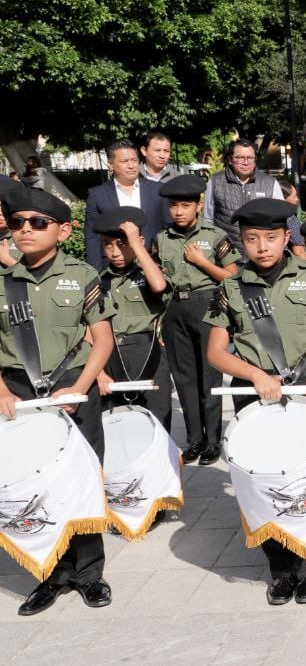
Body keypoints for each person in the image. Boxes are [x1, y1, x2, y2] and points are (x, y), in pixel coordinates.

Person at [205, 198, 306, 605]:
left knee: (303, 479)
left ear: (286, 238)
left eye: (271, 238)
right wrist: (257, 375)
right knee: (262, 482)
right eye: (252, 239)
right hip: (253, 394)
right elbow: (216, 352)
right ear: (241, 242)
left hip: (303, 392)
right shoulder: (230, 285)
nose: (262, 247)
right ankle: (279, 569)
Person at [0, 187, 115, 616]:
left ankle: (89, 574)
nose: (25, 230)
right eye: (17, 223)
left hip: (72, 385)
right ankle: (49, 574)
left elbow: (102, 340)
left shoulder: (83, 275)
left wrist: (81, 385)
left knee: (82, 480)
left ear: (63, 230)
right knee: (35, 484)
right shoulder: (3, 281)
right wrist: (2, 390)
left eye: (37, 223)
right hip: (20, 393)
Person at [154, 174, 240, 465]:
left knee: (209, 375)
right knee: (185, 378)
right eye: (174, 206)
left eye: (185, 205)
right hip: (175, 308)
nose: (179, 211)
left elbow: (232, 276)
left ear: (198, 205)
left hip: (207, 304)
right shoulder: (162, 238)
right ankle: (195, 440)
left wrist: (203, 263)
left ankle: (213, 440)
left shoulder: (214, 236)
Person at [92, 207, 173, 430]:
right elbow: (89, 330)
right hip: (110, 356)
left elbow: (159, 285)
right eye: (108, 244)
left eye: (122, 244)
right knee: (117, 424)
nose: (115, 252)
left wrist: (137, 246)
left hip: (147, 353)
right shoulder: (98, 281)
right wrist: (99, 373)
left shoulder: (147, 273)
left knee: (157, 421)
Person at [83, 139, 169, 270]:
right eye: (124, 161)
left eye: (134, 160)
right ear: (111, 164)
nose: (131, 165)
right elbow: (92, 238)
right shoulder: (97, 195)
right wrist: (96, 275)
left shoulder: (157, 190)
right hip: (115, 267)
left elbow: (168, 229)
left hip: (152, 265)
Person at [203, 140, 283, 249]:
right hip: (226, 254)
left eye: (250, 158)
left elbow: (282, 218)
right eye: (240, 157)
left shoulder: (271, 183)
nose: (246, 162)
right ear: (230, 160)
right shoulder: (215, 181)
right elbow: (208, 220)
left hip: (260, 252)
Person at [276, 179, 306, 259]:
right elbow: (299, 250)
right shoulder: (290, 218)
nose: (297, 199)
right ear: (283, 198)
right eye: (294, 196)